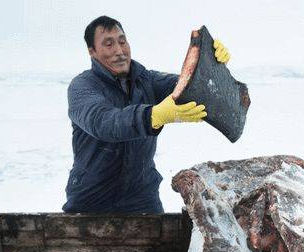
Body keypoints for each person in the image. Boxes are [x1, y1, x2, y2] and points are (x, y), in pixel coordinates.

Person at [62, 16, 230, 214]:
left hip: (142, 198)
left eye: (122, 42)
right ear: (92, 52)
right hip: (92, 201)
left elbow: (193, 87)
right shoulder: (83, 87)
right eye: (108, 44)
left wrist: (211, 64)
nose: (119, 50)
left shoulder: (147, 80)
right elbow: (103, 122)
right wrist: (152, 115)